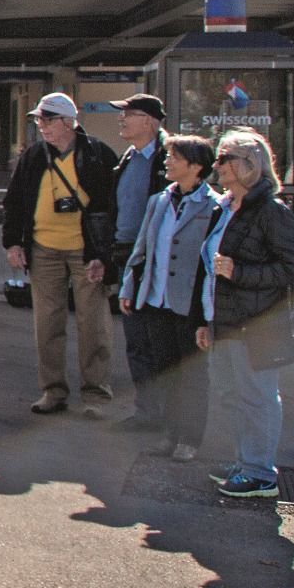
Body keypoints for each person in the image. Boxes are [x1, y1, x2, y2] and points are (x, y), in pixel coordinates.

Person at [197, 129, 294, 499]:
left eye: (224, 157)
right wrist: (205, 320)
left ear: (250, 164)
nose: (218, 165)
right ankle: (246, 462)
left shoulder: (272, 212)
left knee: (257, 397)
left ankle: (260, 472)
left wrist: (238, 272)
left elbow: (291, 268)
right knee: (231, 394)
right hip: (224, 321)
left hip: (256, 324)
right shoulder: (225, 207)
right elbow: (209, 269)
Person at [1, 91, 121, 416]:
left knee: (93, 324)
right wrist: (13, 242)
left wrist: (105, 254)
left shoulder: (97, 155)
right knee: (47, 323)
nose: (41, 126)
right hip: (43, 249)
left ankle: (96, 396)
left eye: (48, 119)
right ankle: (53, 391)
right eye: (38, 120)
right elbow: (13, 201)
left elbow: (111, 207)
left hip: (86, 252)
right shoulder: (33, 156)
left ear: (68, 122)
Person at [116, 133, 221, 461]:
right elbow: (142, 249)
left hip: (189, 306)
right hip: (156, 301)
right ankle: (169, 435)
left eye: (174, 157)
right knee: (165, 371)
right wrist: (129, 287)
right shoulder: (159, 200)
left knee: (191, 376)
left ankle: (189, 438)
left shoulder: (214, 205)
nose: (166, 161)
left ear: (196, 166)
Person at [103, 93, 170, 430]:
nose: (122, 119)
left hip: (157, 261)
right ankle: (146, 412)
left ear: (149, 121)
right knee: (136, 339)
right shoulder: (128, 158)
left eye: (129, 113)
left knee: (159, 339)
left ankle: (168, 415)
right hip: (127, 255)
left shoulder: (168, 160)